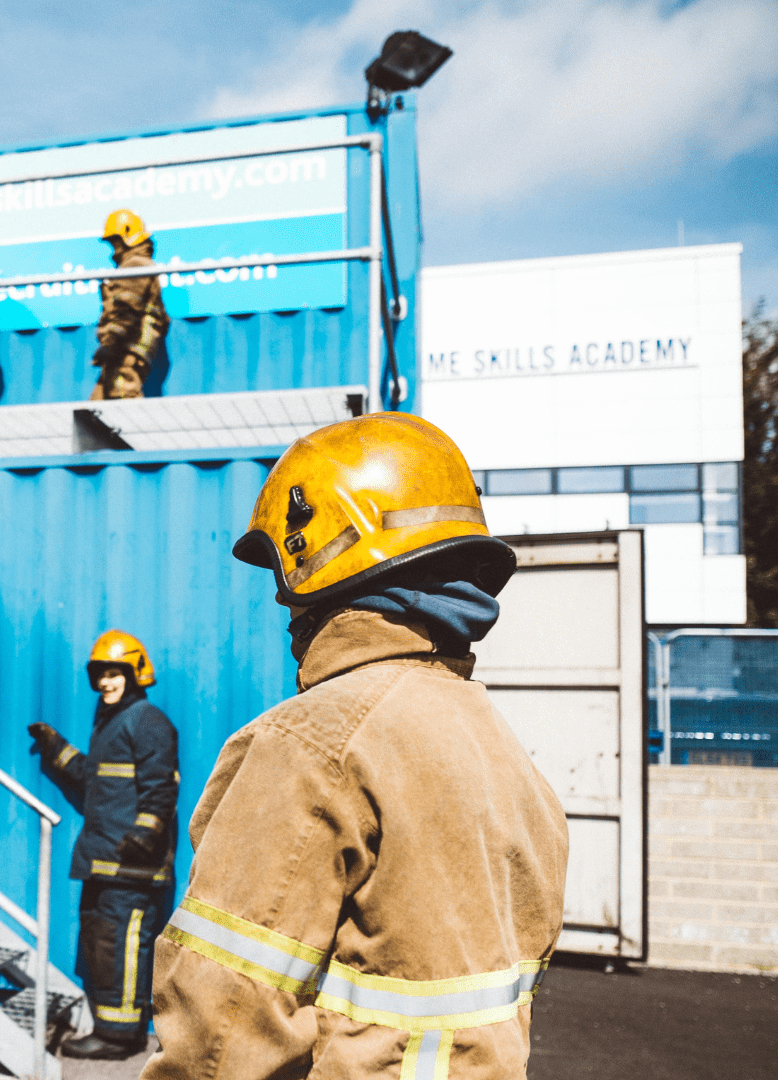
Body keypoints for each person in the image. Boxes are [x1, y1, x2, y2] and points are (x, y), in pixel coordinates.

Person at [141, 413, 568, 1080]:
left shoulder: (309, 745)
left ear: (322, 558)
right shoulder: (502, 751)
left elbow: (219, 1026)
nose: (284, 607)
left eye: (284, 576)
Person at [27, 630, 178, 1061]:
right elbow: (94, 778)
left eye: (116, 674)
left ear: (135, 674)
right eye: (102, 675)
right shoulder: (110, 723)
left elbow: (161, 789)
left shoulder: (147, 720)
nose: (108, 682)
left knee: (123, 946)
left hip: (131, 865)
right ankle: (110, 1026)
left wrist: (144, 837)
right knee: (100, 947)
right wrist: (55, 748)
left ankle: (120, 1037)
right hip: (103, 860)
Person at [92, 210, 168, 400]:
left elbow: (126, 308)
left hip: (128, 348)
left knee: (123, 398)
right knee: (94, 409)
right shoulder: (134, 264)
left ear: (126, 235)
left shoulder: (136, 264)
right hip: (121, 347)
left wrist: (110, 341)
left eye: (114, 241)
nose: (113, 248)